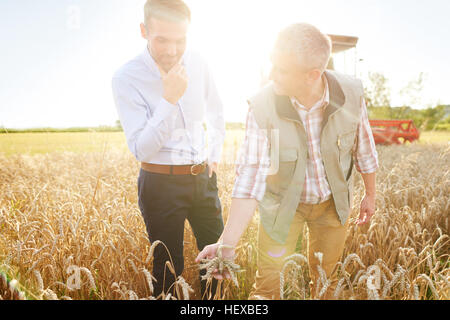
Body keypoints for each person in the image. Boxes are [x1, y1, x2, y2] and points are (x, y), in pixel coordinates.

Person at [196, 23, 379, 300]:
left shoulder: (351, 94)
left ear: (312, 75)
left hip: (333, 205)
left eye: (281, 69)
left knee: (325, 283)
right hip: (281, 206)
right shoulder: (261, 106)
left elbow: (363, 147)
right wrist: (227, 243)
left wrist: (370, 194)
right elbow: (251, 176)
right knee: (268, 286)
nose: (271, 75)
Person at [112, 0, 225, 299]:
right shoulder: (126, 77)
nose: (173, 50)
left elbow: (216, 110)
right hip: (160, 183)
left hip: (203, 179)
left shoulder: (199, 62)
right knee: (168, 271)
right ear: (144, 31)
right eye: (162, 40)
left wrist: (214, 154)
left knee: (217, 260)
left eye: (181, 40)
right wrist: (169, 100)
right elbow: (142, 149)